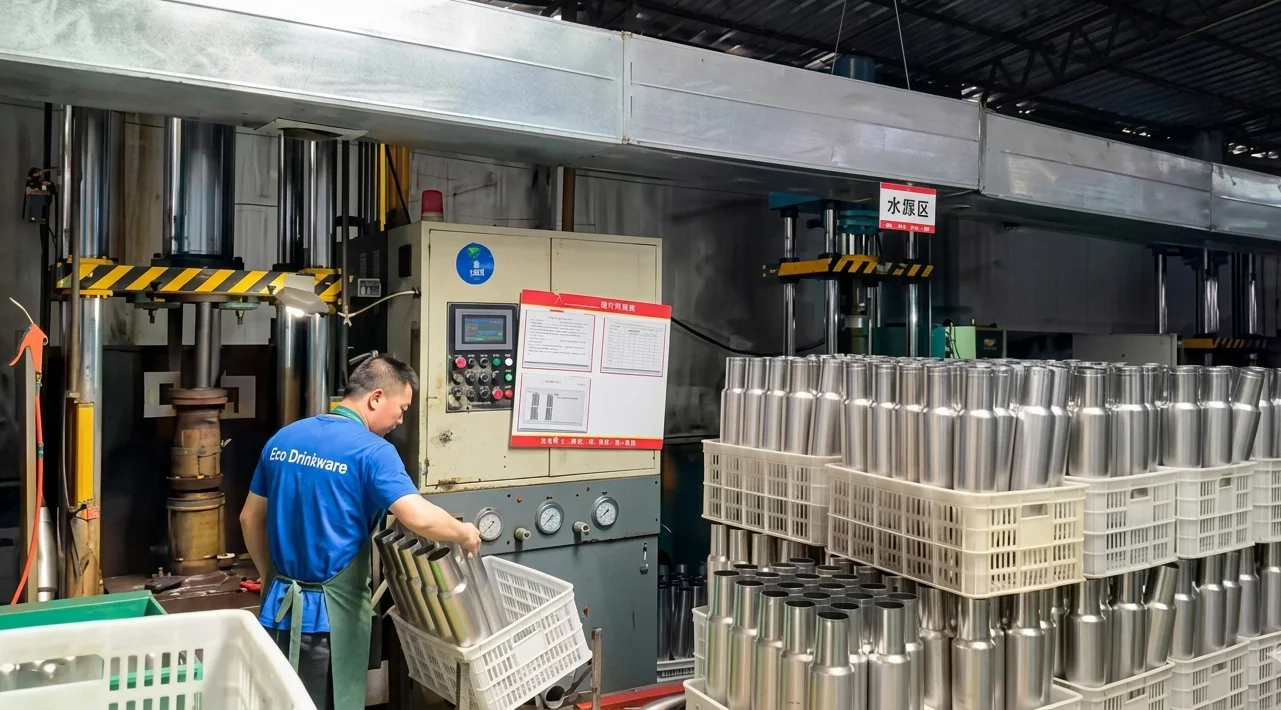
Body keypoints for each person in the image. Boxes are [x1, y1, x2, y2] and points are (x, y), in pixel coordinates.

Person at [240, 354, 481, 710]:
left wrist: (268, 577)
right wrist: (463, 532)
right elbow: (418, 517)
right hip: (328, 625)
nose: (400, 420)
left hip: (276, 611)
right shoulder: (373, 452)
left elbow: (248, 518)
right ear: (376, 398)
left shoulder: (284, 438)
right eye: (402, 408)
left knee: (278, 701)